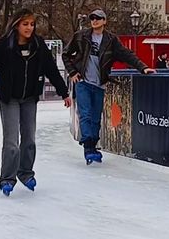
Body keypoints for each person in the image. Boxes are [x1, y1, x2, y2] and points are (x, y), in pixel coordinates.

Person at [0, 8, 72, 196]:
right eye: (25, 24)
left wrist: (64, 92)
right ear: (17, 25)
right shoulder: (5, 45)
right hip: (9, 98)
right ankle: (7, 178)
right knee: (11, 142)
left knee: (29, 140)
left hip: (29, 98)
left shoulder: (38, 45)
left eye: (32, 24)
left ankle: (25, 173)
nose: (29, 28)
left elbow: (51, 69)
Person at [62, 9, 154, 164]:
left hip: (99, 84)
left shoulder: (111, 40)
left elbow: (126, 55)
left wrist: (142, 67)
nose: (94, 20)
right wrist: (72, 72)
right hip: (83, 82)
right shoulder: (81, 36)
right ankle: (89, 147)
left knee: (96, 118)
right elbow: (66, 54)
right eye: (92, 18)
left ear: (105, 21)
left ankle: (92, 145)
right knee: (85, 114)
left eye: (98, 18)